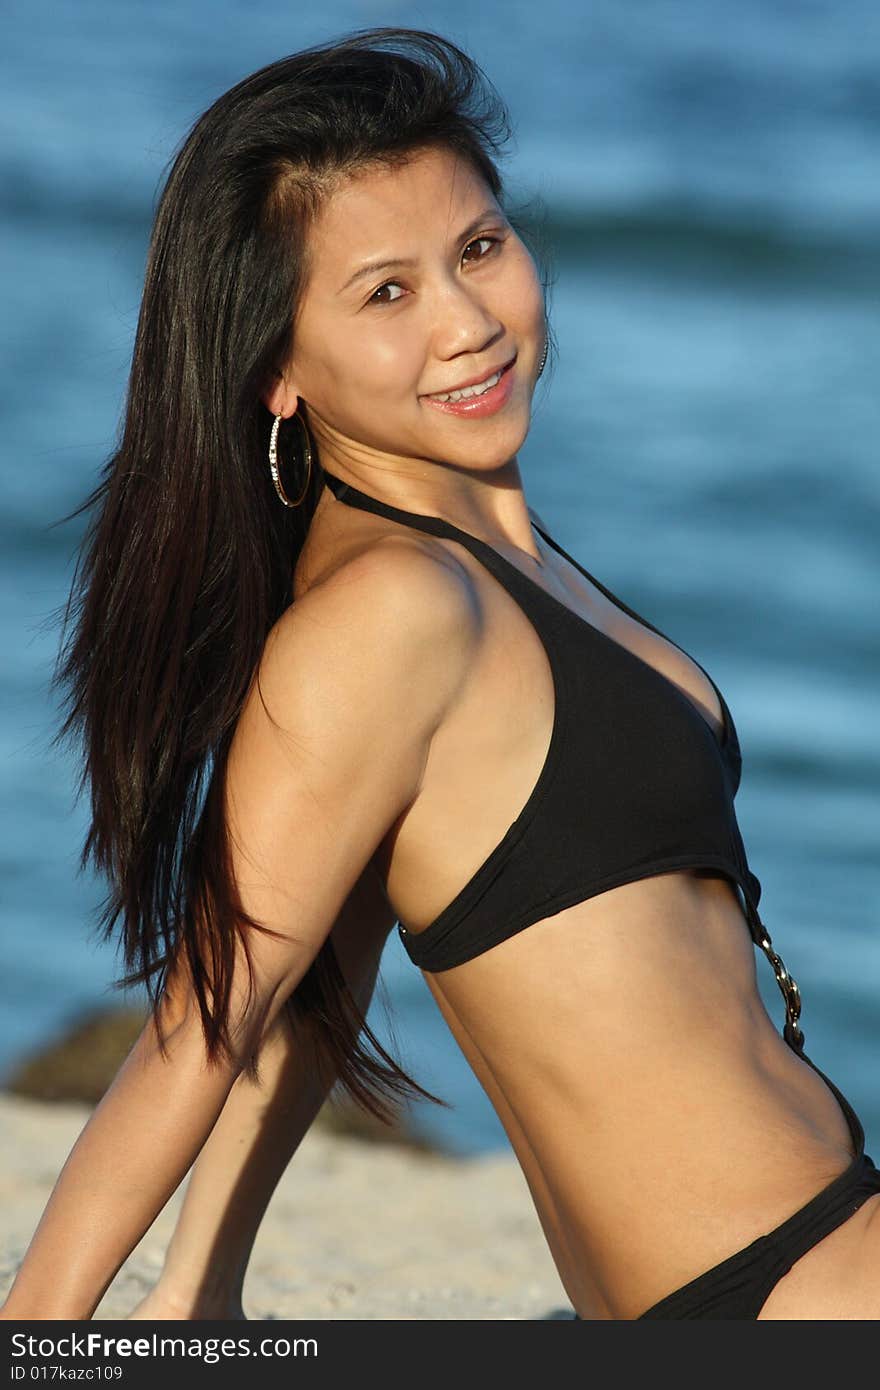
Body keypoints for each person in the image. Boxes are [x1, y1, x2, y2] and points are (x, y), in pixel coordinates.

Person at [3, 26, 878, 1323]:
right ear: (278, 374)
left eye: (478, 248)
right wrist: (45, 1335)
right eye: (386, 293)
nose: (470, 323)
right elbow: (204, 1024)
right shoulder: (391, 612)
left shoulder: (497, 562)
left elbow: (321, 968)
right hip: (772, 1292)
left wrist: (203, 1285)